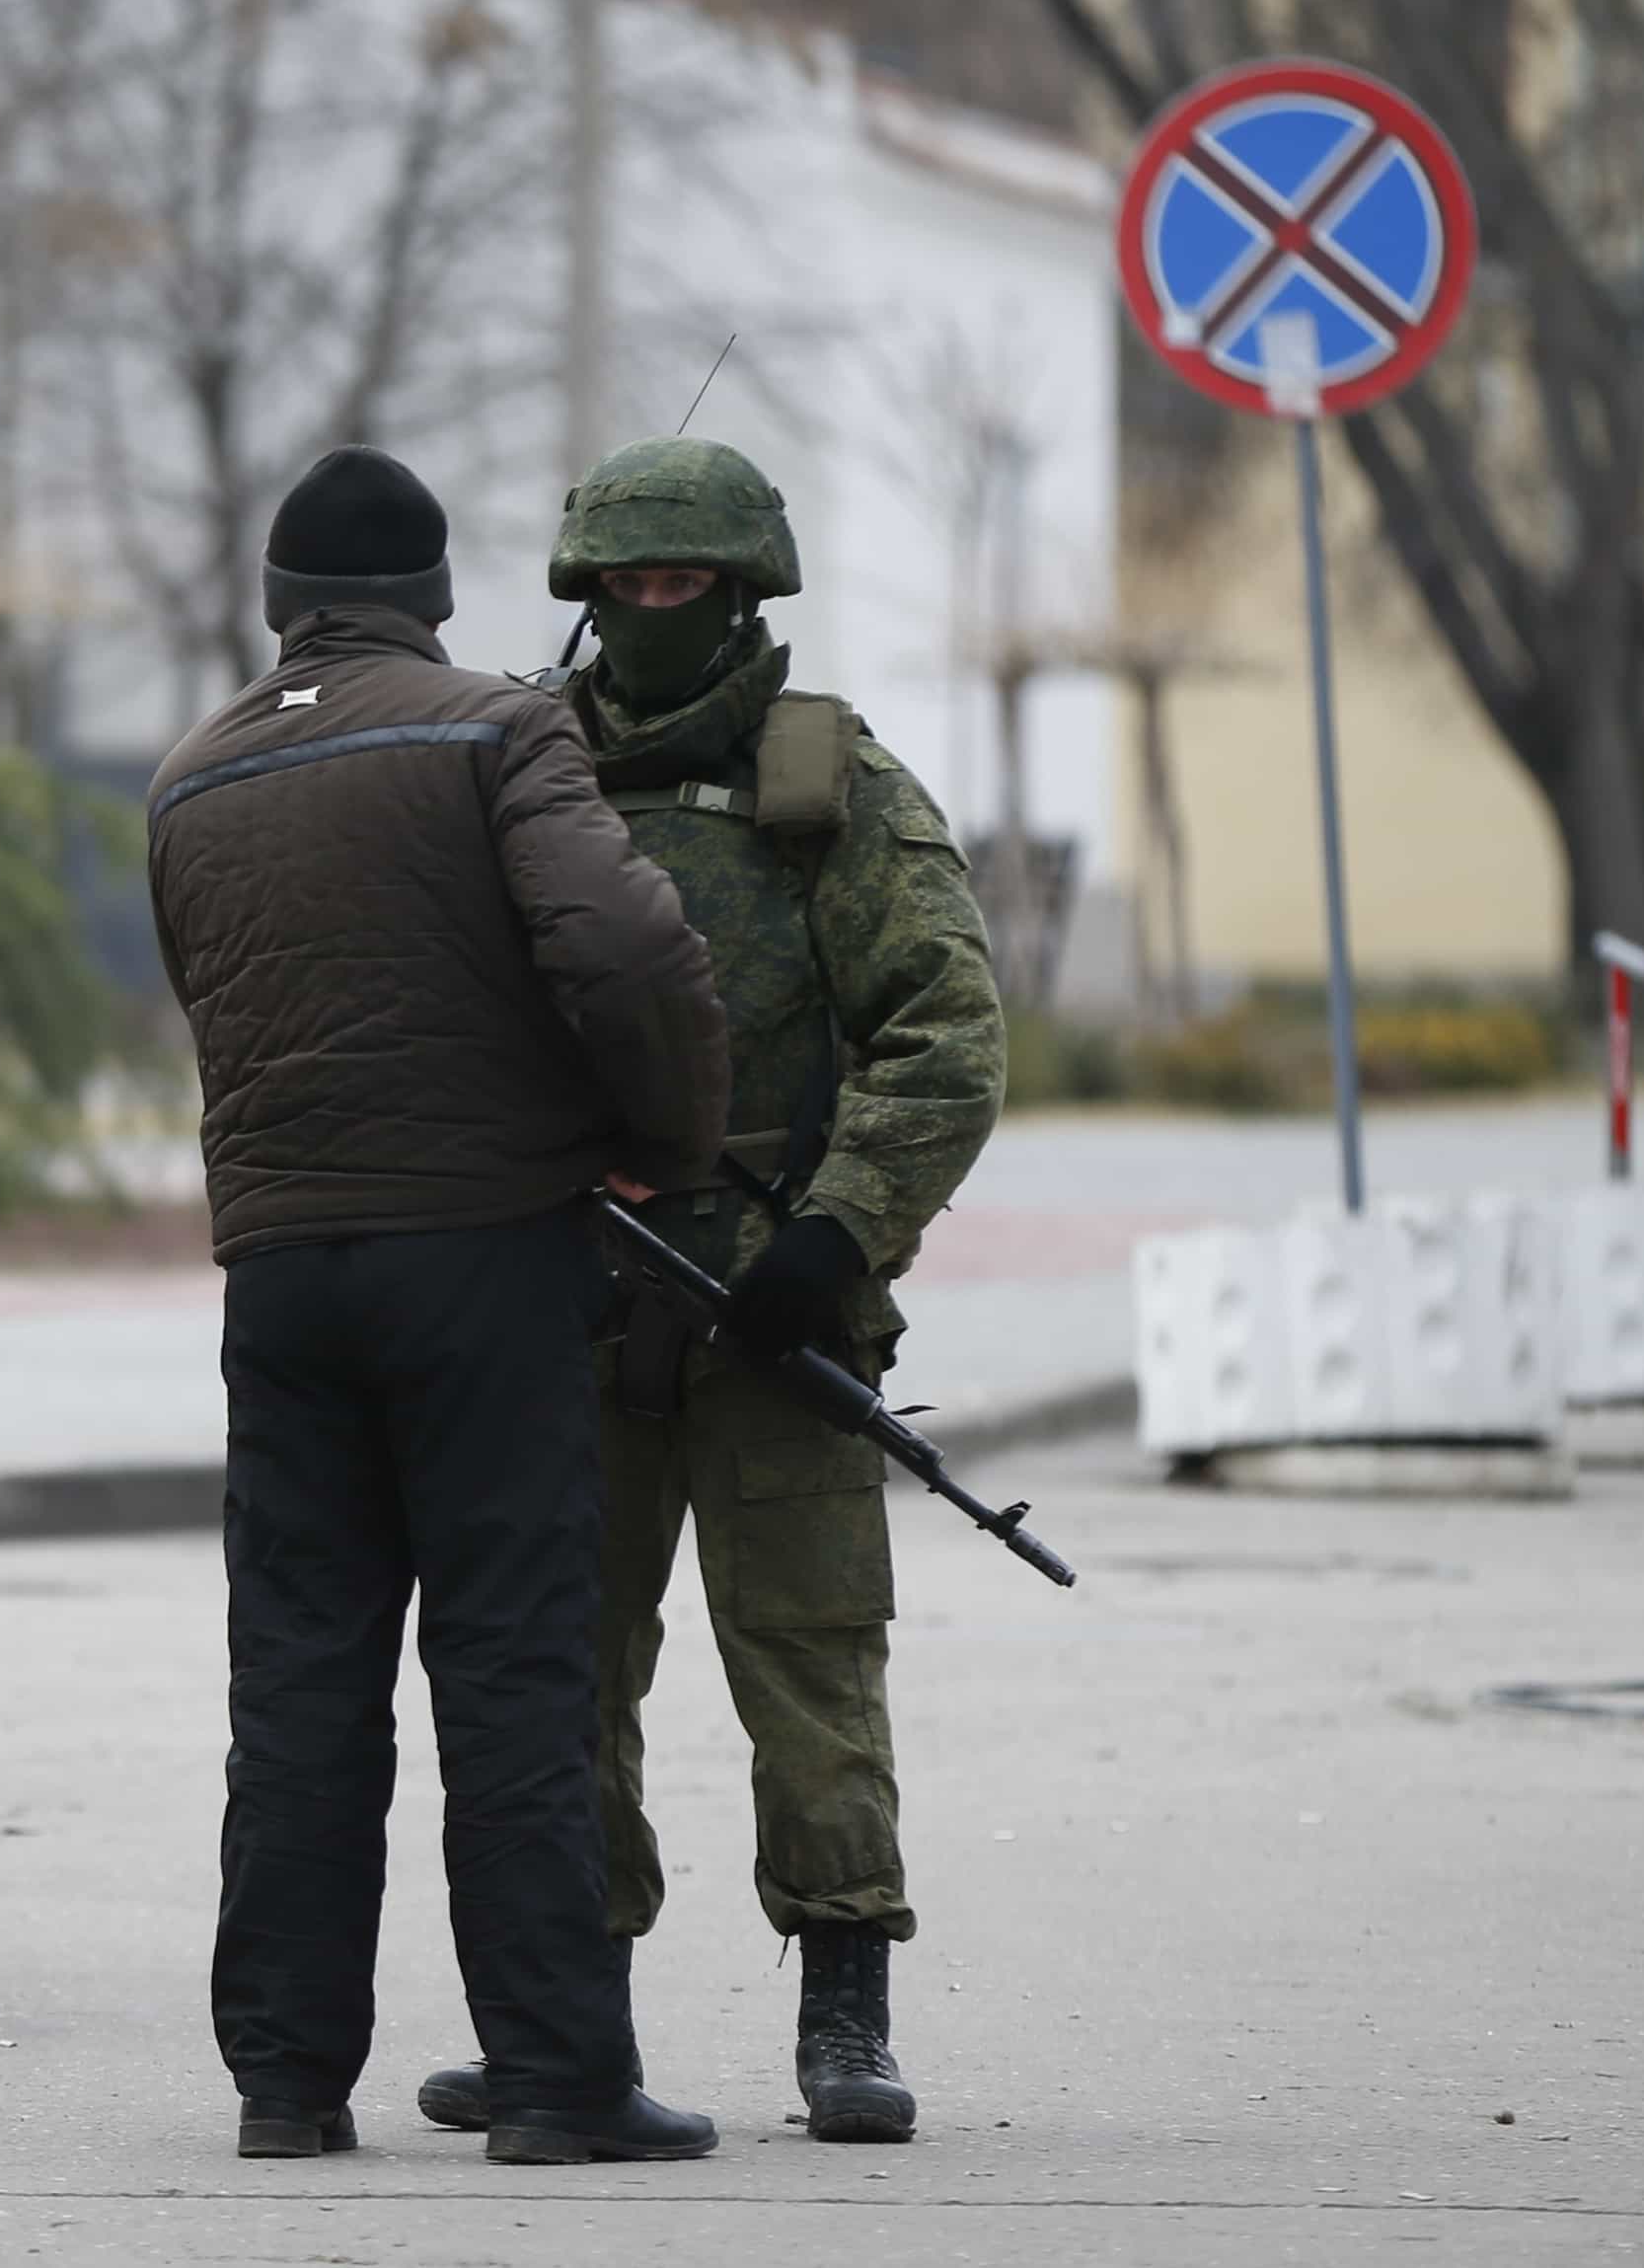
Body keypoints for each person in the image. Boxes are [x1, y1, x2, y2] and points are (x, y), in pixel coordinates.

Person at [411, 435, 1007, 2145]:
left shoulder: (828, 782)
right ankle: (566, 2016)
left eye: (680, 584)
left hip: (780, 1304)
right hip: (569, 1293)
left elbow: (944, 1037)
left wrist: (836, 1238)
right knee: (554, 1671)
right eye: (620, 584)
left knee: (811, 1657)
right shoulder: (513, 770)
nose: (647, 611)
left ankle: (844, 2011)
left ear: (746, 593)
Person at [145, 445, 732, 2165]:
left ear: (275, 606)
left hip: (279, 1272)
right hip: (481, 1250)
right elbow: (625, 951)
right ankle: (554, 2077)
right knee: (514, 1665)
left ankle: (285, 2084)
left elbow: (221, 1002)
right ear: (441, 599)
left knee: (301, 1677)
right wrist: (655, 1140)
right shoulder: (501, 728)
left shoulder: (188, 780)